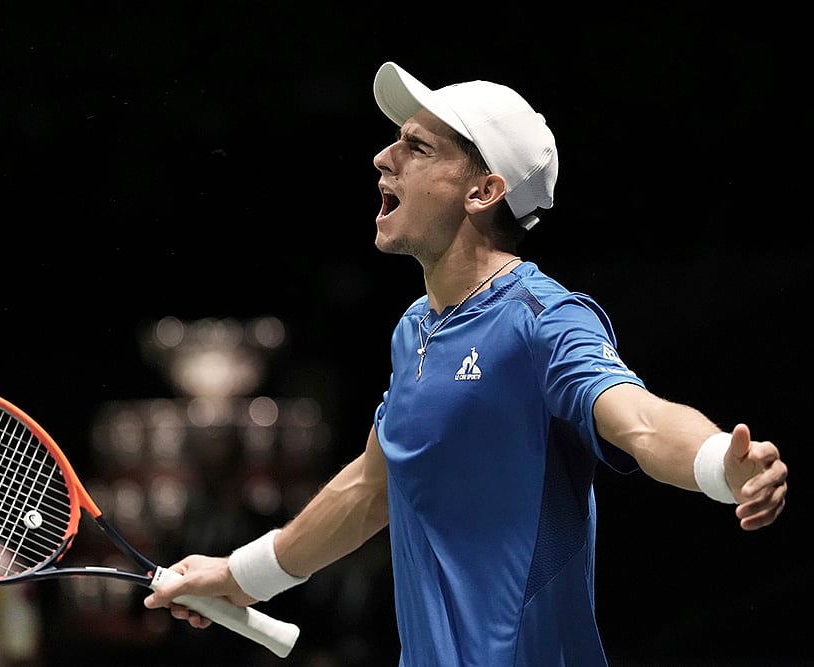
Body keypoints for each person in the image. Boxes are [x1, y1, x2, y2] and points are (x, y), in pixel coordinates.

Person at [143, 61, 788, 666]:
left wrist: (718, 463)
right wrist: (238, 577)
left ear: (483, 191)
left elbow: (639, 420)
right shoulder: (415, 331)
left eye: (417, 148)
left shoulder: (540, 319)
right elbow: (371, 487)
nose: (383, 157)